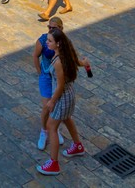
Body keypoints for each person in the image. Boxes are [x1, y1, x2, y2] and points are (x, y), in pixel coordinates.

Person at [37, 27, 87, 175]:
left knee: (51, 127)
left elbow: (59, 85)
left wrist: (52, 101)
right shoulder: (65, 54)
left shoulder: (58, 61)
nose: (47, 43)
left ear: (58, 43)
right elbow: (77, 63)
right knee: (66, 119)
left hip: (61, 96)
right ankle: (78, 146)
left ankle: (53, 164)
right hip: (68, 94)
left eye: (50, 41)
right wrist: (84, 63)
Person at [32, 17, 66, 151]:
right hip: (47, 75)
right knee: (47, 106)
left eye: (54, 28)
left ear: (61, 29)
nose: (50, 30)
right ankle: (44, 130)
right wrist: (40, 72)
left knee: (56, 105)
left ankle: (54, 128)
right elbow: (35, 56)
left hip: (57, 77)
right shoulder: (43, 40)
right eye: (49, 27)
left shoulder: (64, 42)